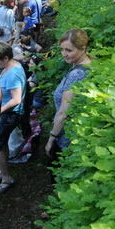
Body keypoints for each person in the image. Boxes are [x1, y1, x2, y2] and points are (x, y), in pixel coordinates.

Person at [45, 29, 91, 168]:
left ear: (83, 48)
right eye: (62, 49)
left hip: (66, 139)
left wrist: (52, 138)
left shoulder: (77, 75)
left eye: (69, 50)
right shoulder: (87, 64)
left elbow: (64, 113)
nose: (64, 54)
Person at [0, 41, 26, 196]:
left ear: (5, 58)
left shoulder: (12, 73)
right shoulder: (10, 66)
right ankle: (1, 171)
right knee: (2, 142)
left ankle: (6, 178)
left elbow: (16, 99)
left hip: (10, 114)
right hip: (5, 113)